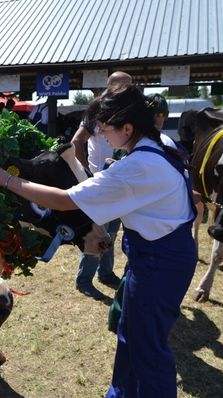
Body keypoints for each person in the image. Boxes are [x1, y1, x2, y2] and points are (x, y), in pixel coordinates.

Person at [0, 84, 198, 398]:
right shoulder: (158, 143)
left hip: (159, 262)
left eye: (104, 128)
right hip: (157, 255)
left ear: (128, 128)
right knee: (130, 333)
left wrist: (6, 179)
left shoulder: (138, 167)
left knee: (148, 349)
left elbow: (66, 201)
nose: (101, 135)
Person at [70, 72, 133, 299]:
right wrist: (86, 173)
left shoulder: (127, 112)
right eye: (123, 86)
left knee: (112, 232)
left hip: (119, 183)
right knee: (97, 232)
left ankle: (105, 273)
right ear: (111, 86)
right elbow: (76, 141)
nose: (128, 91)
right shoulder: (97, 111)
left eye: (130, 86)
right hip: (100, 182)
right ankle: (84, 280)